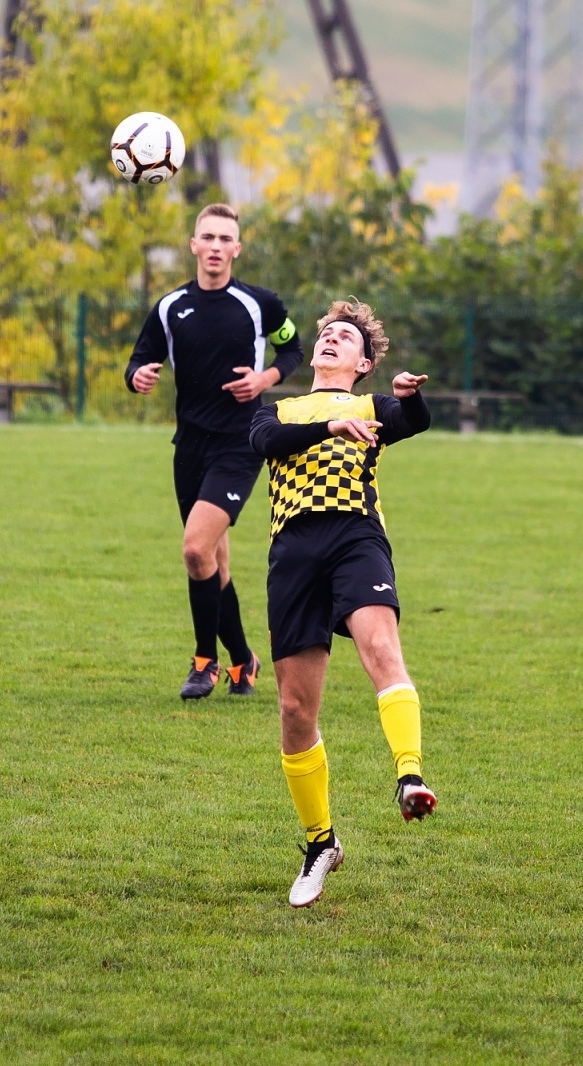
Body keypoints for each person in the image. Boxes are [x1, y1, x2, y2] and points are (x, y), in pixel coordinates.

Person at [248, 298, 436, 910]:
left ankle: (410, 776)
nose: (331, 339)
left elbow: (414, 421)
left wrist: (408, 398)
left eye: (346, 337)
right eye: (327, 333)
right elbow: (267, 441)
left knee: (381, 648)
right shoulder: (279, 409)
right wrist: (328, 427)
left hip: (356, 537)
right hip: (293, 551)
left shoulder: (372, 407)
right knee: (294, 709)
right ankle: (320, 843)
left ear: (364, 364)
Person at [125, 203, 304, 700]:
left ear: (237, 249)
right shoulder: (169, 307)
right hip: (189, 447)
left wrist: (265, 379)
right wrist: (137, 376)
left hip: (240, 443)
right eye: (208, 237)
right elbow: (140, 359)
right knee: (213, 563)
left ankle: (205, 661)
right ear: (193, 245)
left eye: (226, 239)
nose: (216, 247)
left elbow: (293, 349)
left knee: (194, 549)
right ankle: (243, 662)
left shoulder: (259, 303)